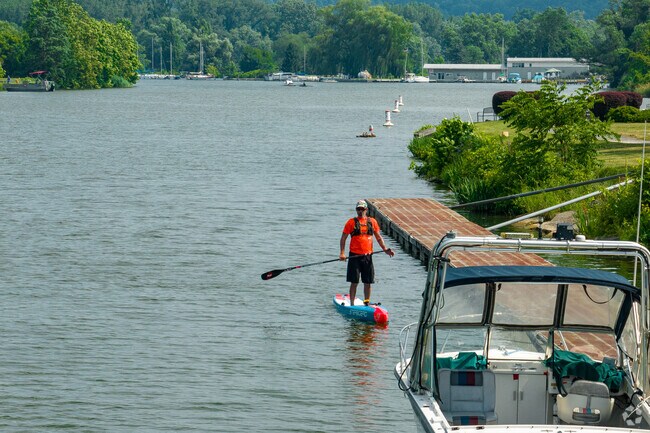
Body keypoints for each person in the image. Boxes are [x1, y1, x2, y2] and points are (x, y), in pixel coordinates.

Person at [339, 199, 394, 306]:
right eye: (358, 209)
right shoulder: (351, 222)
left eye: (362, 209)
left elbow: (378, 238)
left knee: (368, 281)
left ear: (366, 210)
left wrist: (385, 249)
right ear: (356, 210)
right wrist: (342, 253)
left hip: (368, 256)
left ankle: (366, 302)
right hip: (354, 256)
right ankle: (351, 304)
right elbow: (343, 238)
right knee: (354, 281)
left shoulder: (372, 222)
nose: (360, 211)